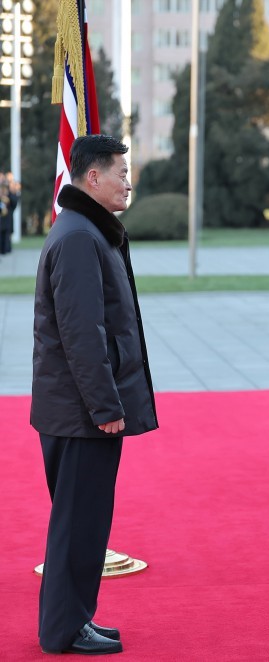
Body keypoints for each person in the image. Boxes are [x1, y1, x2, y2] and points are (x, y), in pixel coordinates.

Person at [31, 135, 157, 655]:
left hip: (77, 410)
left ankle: (74, 620)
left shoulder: (87, 230)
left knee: (83, 525)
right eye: (120, 172)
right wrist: (106, 407)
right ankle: (63, 630)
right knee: (77, 528)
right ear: (92, 177)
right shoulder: (81, 237)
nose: (128, 181)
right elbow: (82, 335)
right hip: (83, 414)